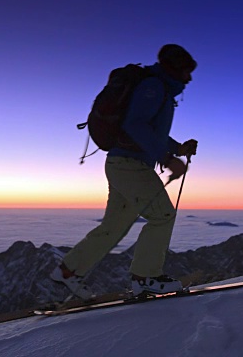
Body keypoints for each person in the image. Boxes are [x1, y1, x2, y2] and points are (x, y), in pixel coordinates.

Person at [51, 44, 198, 299]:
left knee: (114, 226)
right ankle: (146, 278)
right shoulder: (154, 87)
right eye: (186, 71)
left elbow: (149, 130)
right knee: (163, 216)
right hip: (131, 166)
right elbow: (135, 125)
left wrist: (177, 148)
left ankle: (69, 271)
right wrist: (166, 157)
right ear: (174, 69)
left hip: (120, 165)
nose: (189, 77)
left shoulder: (157, 88)